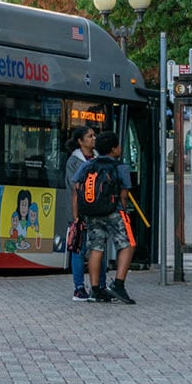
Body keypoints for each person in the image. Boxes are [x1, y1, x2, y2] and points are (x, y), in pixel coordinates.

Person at [74, 131, 137, 305]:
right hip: (114, 212)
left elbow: (76, 186)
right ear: (113, 149)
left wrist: (77, 214)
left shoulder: (88, 165)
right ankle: (118, 284)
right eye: (118, 146)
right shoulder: (120, 167)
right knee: (128, 244)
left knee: (96, 248)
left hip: (92, 212)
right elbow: (124, 194)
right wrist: (122, 210)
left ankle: (95, 290)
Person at [62, 126, 100, 301]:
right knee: (79, 248)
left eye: (94, 135)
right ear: (80, 141)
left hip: (97, 212)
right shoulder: (74, 161)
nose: (94, 138)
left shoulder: (98, 158)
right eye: (90, 136)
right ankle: (78, 287)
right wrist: (76, 217)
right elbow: (74, 188)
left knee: (98, 248)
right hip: (80, 212)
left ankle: (98, 285)